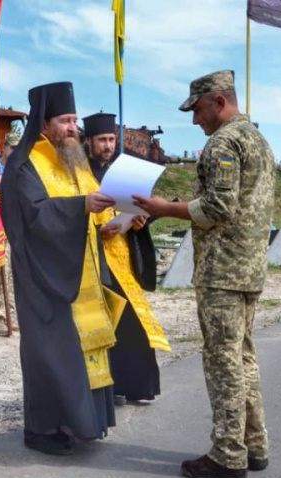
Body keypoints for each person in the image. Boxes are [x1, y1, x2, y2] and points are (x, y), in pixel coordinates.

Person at [133, 69, 275, 478]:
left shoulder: (224, 142)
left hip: (222, 270)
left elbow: (218, 208)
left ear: (218, 101)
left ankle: (228, 453)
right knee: (243, 356)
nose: (195, 120)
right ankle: (254, 444)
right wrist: (180, 204)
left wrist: (163, 208)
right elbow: (233, 201)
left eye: (197, 110)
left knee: (222, 361)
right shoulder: (256, 138)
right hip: (248, 266)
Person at [0, 82, 118, 456]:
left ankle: (84, 423)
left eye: (74, 121)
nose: (72, 128)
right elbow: (35, 215)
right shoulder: (25, 164)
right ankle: (44, 428)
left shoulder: (72, 158)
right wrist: (81, 205)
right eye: (65, 121)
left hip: (79, 271)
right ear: (44, 122)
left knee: (80, 349)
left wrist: (113, 220)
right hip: (42, 276)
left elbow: (89, 208)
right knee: (49, 352)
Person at [83, 112, 169, 405]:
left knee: (134, 319)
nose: (107, 146)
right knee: (114, 321)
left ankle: (137, 387)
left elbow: (136, 204)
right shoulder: (80, 174)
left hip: (123, 252)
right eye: (101, 141)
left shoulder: (122, 170)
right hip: (95, 257)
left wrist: (138, 223)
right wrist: (97, 231)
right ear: (89, 142)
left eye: (110, 140)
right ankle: (114, 387)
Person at [0, 132, 20, 336]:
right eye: (12, 148)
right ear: (4, 148)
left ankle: (11, 314)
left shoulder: (18, 173)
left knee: (12, 274)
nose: (15, 152)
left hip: (15, 230)